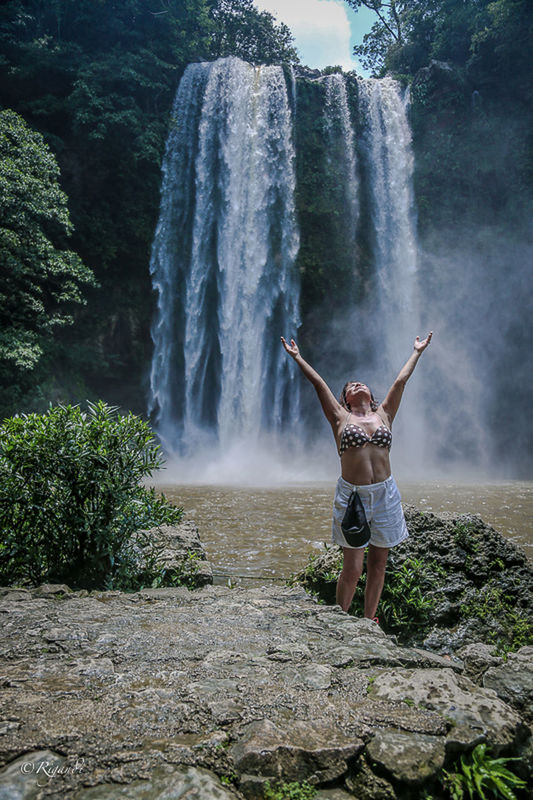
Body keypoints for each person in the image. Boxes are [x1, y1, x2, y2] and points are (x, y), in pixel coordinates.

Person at [281, 332, 433, 620]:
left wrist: (417, 351)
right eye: (351, 386)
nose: (357, 384)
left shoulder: (384, 414)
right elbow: (318, 384)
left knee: (378, 564)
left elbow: (401, 381)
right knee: (352, 568)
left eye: (360, 383)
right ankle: (341, 619)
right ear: (346, 399)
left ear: (371, 396)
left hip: (385, 493)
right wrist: (298, 357)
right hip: (354, 497)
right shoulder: (340, 418)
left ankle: (369, 620)